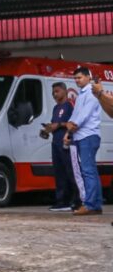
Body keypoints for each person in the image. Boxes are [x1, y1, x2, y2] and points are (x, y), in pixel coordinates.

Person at [66, 67, 102, 215]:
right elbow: (76, 114)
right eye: (75, 78)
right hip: (81, 136)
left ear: (88, 77)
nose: (77, 80)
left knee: (88, 171)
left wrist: (71, 127)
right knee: (90, 171)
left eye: (79, 77)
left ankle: (90, 205)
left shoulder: (92, 92)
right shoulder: (82, 94)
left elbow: (83, 116)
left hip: (88, 136)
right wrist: (69, 129)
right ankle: (95, 204)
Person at [41, 82, 79, 212]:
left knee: (70, 171)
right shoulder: (56, 108)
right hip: (55, 143)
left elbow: (73, 123)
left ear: (64, 91)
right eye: (53, 93)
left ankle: (75, 200)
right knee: (59, 172)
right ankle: (61, 201)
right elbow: (54, 124)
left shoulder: (70, 105)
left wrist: (59, 125)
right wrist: (48, 128)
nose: (54, 94)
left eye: (57, 91)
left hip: (66, 142)